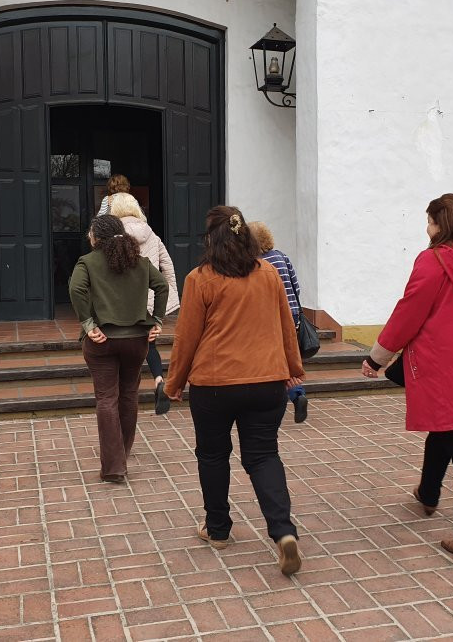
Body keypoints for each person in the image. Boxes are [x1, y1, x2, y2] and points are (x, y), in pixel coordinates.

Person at [360, 193, 453, 561]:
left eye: (431, 221)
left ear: (444, 223)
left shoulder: (433, 260)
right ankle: (428, 492)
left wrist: (378, 358)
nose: (427, 227)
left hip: (443, 359)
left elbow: (410, 311)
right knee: (450, 422)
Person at [165, 206, 305, 576]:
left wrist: (174, 382)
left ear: (211, 240)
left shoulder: (200, 279)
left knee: (212, 455)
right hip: (266, 382)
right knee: (263, 456)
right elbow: (286, 325)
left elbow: (187, 337)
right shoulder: (269, 274)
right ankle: (283, 532)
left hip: (214, 385)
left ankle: (218, 529)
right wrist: (293, 369)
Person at [69, 215, 169, 484]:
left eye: (90, 233)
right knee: (128, 395)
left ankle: (114, 467)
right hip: (137, 340)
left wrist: (88, 324)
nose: (88, 237)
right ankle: (122, 455)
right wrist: (157, 319)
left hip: (102, 340)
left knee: (106, 398)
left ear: (96, 237)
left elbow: (76, 289)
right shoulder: (140, 262)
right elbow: (162, 286)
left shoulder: (87, 262)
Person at [110, 192, 180, 415]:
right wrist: (169, 300)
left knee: (122, 343)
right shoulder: (151, 234)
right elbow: (167, 266)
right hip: (149, 298)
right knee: (149, 344)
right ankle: (159, 381)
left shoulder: (113, 234)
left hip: (122, 300)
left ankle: (123, 394)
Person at [248, 221, 308, 423]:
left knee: (272, 358)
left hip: (272, 317)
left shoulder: (255, 264)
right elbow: (296, 286)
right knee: (290, 357)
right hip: (293, 315)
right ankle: (298, 394)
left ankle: (276, 398)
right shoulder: (282, 256)